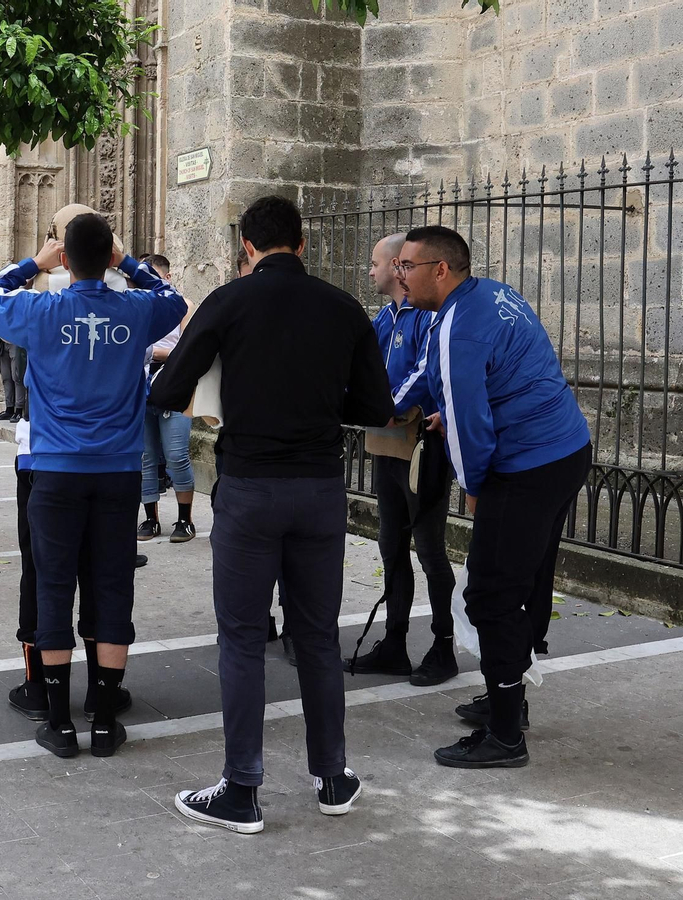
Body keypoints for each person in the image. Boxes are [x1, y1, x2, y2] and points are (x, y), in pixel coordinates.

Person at [152, 196, 392, 833]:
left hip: (252, 488)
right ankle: (333, 776)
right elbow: (374, 404)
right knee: (316, 636)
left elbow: (168, 389)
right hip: (319, 490)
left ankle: (241, 788)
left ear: (247, 248)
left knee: (241, 639)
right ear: (303, 245)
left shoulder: (230, 302)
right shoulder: (343, 308)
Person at [0, 212, 186, 760]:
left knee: (53, 585)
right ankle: (106, 716)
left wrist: (34, 264)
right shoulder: (137, 309)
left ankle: (60, 723)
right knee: (112, 585)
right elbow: (175, 300)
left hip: (56, 471)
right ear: (109, 253)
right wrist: (128, 263)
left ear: (64, 258)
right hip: (117, 473)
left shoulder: (41, 309)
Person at [394, 226, 592, 769]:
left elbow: (467, 422)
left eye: (408, 265)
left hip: (527, 465)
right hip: (565, 448)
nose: (398, 274)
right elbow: (508, 375)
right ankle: (509, 699)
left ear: (441, 270)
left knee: (490, 596)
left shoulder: (457, 325)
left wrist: (475, 485)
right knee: (523, 583)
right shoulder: (495, 293)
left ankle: (505, 736)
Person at [344, 234, 458, 687]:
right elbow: (364, 368)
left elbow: (425, 371)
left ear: (396, 266)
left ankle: (443, 645)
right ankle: (394, 641)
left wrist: (381, 406)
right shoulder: (384, 317)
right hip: (385, 443)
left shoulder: (426, 318)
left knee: (429, 548)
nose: (370, 271)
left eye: (375, 263)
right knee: (391, 545)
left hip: (418, 444)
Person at [5, 417, 134, 723]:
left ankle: (38, 687)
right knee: (102, 574)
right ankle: (99, 690)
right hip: (110, 456)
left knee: (41, 572)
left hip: (43, 453)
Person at [139, 254, 197, 544]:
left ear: (167, 277)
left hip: (174, 385)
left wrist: (153, 353)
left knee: (176, 455)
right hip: (141, 386)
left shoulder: (183, 306)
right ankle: (151, 519)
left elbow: (188, 351)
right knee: (146, 456)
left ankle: (185, 519)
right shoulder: (138, 305)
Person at [0, 338, 27, 422]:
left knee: (17, 376)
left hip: (15, 340)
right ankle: (9, 409)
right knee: (6, 377)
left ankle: (19, 410)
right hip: (2, 341)